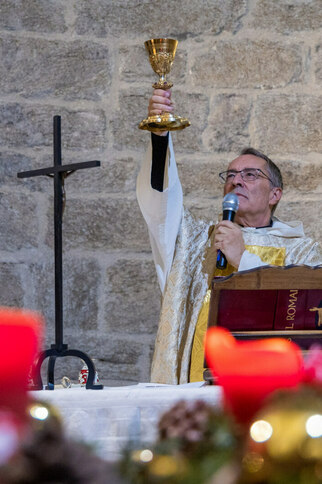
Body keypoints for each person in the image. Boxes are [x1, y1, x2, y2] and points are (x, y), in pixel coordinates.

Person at [137, 89, 322, 385]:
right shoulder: (196, 241)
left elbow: (303, 322)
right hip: (197, 382)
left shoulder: (304, 252)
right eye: (231, 175)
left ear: (275, 194)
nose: (236, 180)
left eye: (250, 175)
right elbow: (161, 208)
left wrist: (244, 260)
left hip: (268, 385)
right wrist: (160, 138)